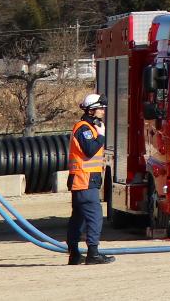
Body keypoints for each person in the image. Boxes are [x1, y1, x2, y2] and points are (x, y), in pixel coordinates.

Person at [67, 93, 115, 266]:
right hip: (84, 181)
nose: (103, 111)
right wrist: (101, 136)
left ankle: (74, 254)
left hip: (83, 181)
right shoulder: (84, 128)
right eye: (101, 108)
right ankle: (93, 254)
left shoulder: (88, 127)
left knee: (78, 219)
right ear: (92, 110)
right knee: (95, 216)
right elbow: (89, 150)